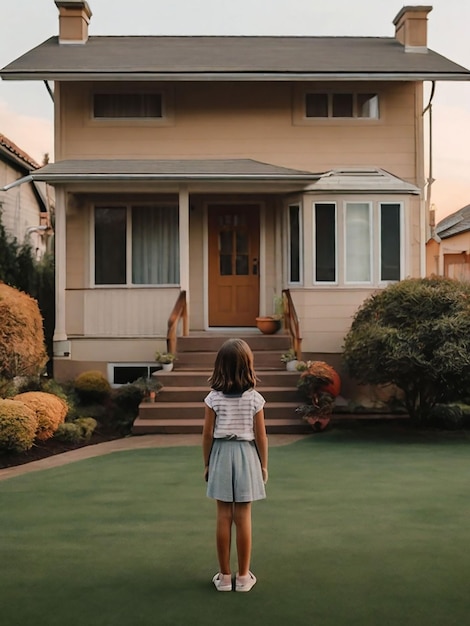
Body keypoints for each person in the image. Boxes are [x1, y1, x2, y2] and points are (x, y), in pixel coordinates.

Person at [202, 338, 268, 593]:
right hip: (246, 455)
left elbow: (207, 434)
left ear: (220, 367)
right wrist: (263, 465)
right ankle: (242, 577)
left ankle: (224, 576)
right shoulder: (255, 399)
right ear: (248, 366)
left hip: (220, 454)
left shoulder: (212, 398)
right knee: (243, 517)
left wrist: (207, 463)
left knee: (223, 516)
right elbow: (261, 436)